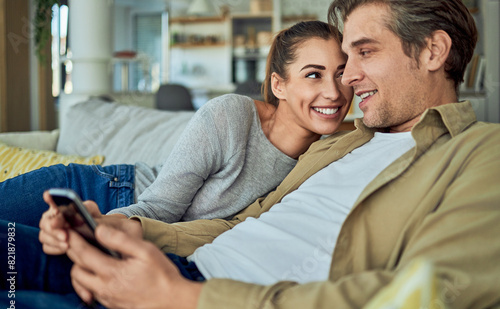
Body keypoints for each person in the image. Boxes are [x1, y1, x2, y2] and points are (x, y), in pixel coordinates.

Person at [2, 1, 500, 309]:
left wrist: (183, 305)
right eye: (343, 59)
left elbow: (422, 297)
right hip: (166, 266)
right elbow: (238, 223)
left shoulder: (481, 154)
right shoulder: (341, 142)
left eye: (364, 53)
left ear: (434, 50)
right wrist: (127, 232)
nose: (347, 78)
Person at [0, 20, 352, 227]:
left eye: (341, 74)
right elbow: (159, 209)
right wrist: (98, 227)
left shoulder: (336, 150)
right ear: (279, 85)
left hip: (147, 229)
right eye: (313, 75)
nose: (333, 93)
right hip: (107, 193)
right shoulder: (232, 117)